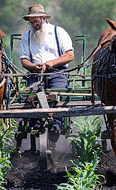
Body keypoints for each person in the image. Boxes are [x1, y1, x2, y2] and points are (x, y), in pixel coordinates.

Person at [20, 4, 74, 137]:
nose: (34, 25)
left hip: (58, 72)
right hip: (35, 74)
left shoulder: (58, 32)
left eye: (36, 21)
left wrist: (52, 63)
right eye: (31, 22)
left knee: (57, 94)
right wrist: (33, 67)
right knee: (32, 96)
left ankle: (56, 124)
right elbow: (24, 60)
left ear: (44, 18)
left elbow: (69, 55)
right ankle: (35, 124)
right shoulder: (27, 37)